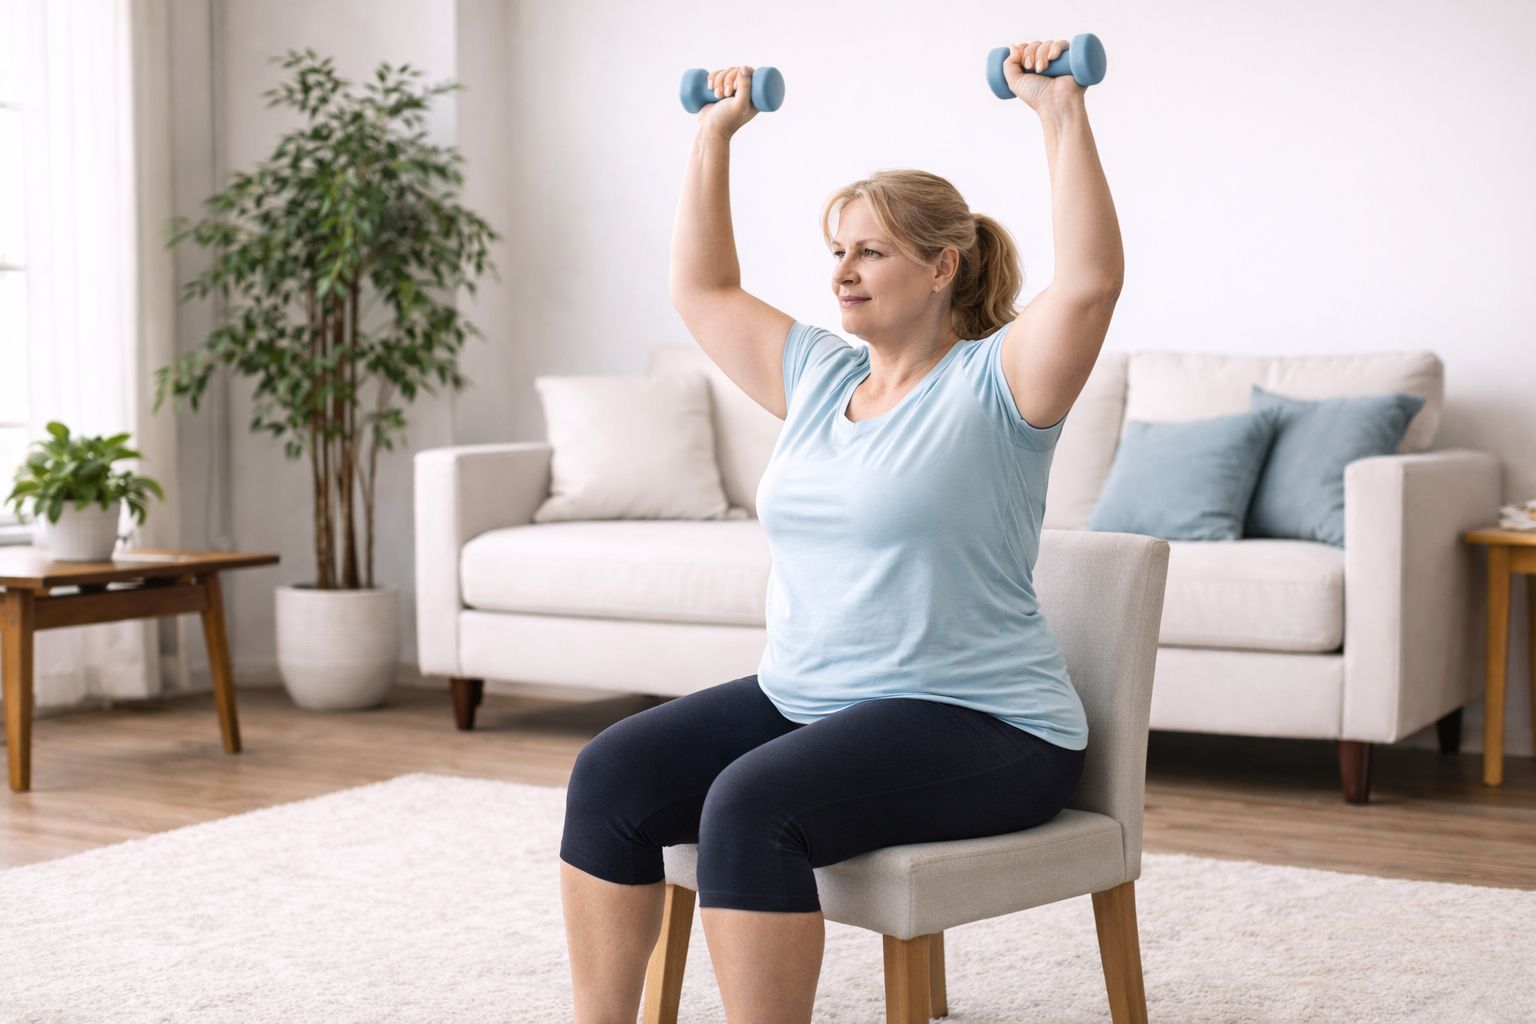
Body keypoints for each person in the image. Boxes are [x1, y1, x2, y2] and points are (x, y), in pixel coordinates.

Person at [559, 38, 1123, 1024]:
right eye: (837, 252)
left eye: (870, 251)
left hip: (986, 724)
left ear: (943, 266)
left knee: (751, 804)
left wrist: (1058, 109)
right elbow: (702, 290)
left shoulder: (999, 383)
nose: (843, 273)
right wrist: (714, 135)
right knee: (612, 773)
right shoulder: (820, 375)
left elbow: (1089, 284)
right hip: (808, 700)